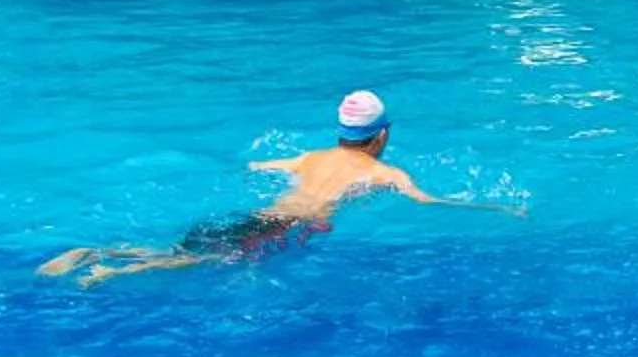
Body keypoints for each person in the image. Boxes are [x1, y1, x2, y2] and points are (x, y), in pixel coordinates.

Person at [38, 91, 521, 286]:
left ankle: (94, 250)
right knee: (201, 259)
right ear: (383, 136)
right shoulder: (383, 174)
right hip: (284, 226)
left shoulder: (309, 157)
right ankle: (106, 272)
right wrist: (496, 209)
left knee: (186, 245)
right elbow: (429, 202)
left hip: (259, 213)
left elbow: (258, 163)